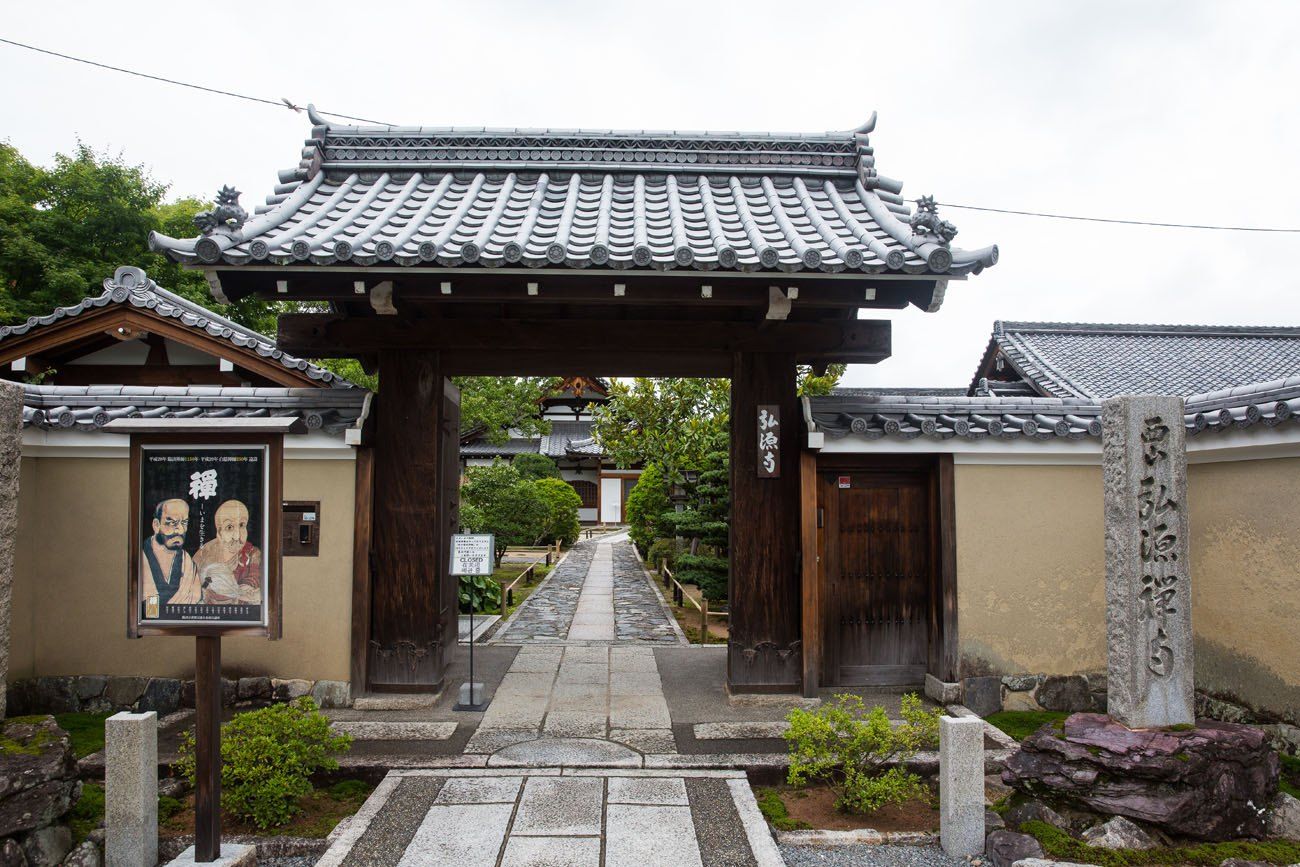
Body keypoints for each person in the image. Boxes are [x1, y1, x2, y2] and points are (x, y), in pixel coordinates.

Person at [193, 499, 262, 604]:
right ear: (219, 532)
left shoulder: (252, 553)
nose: (237, 536)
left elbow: (255, 577)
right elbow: (195, 591)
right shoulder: (203, 556)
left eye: (242, 525)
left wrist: (247, 588)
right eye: (229, 527)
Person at [141, 498, 203, 612]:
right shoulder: (143, 555)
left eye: (184, 522)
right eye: (172, 523)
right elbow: (151, 613)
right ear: (156, 525)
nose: (180, 530)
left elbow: (195, 600)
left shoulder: (187, 561)